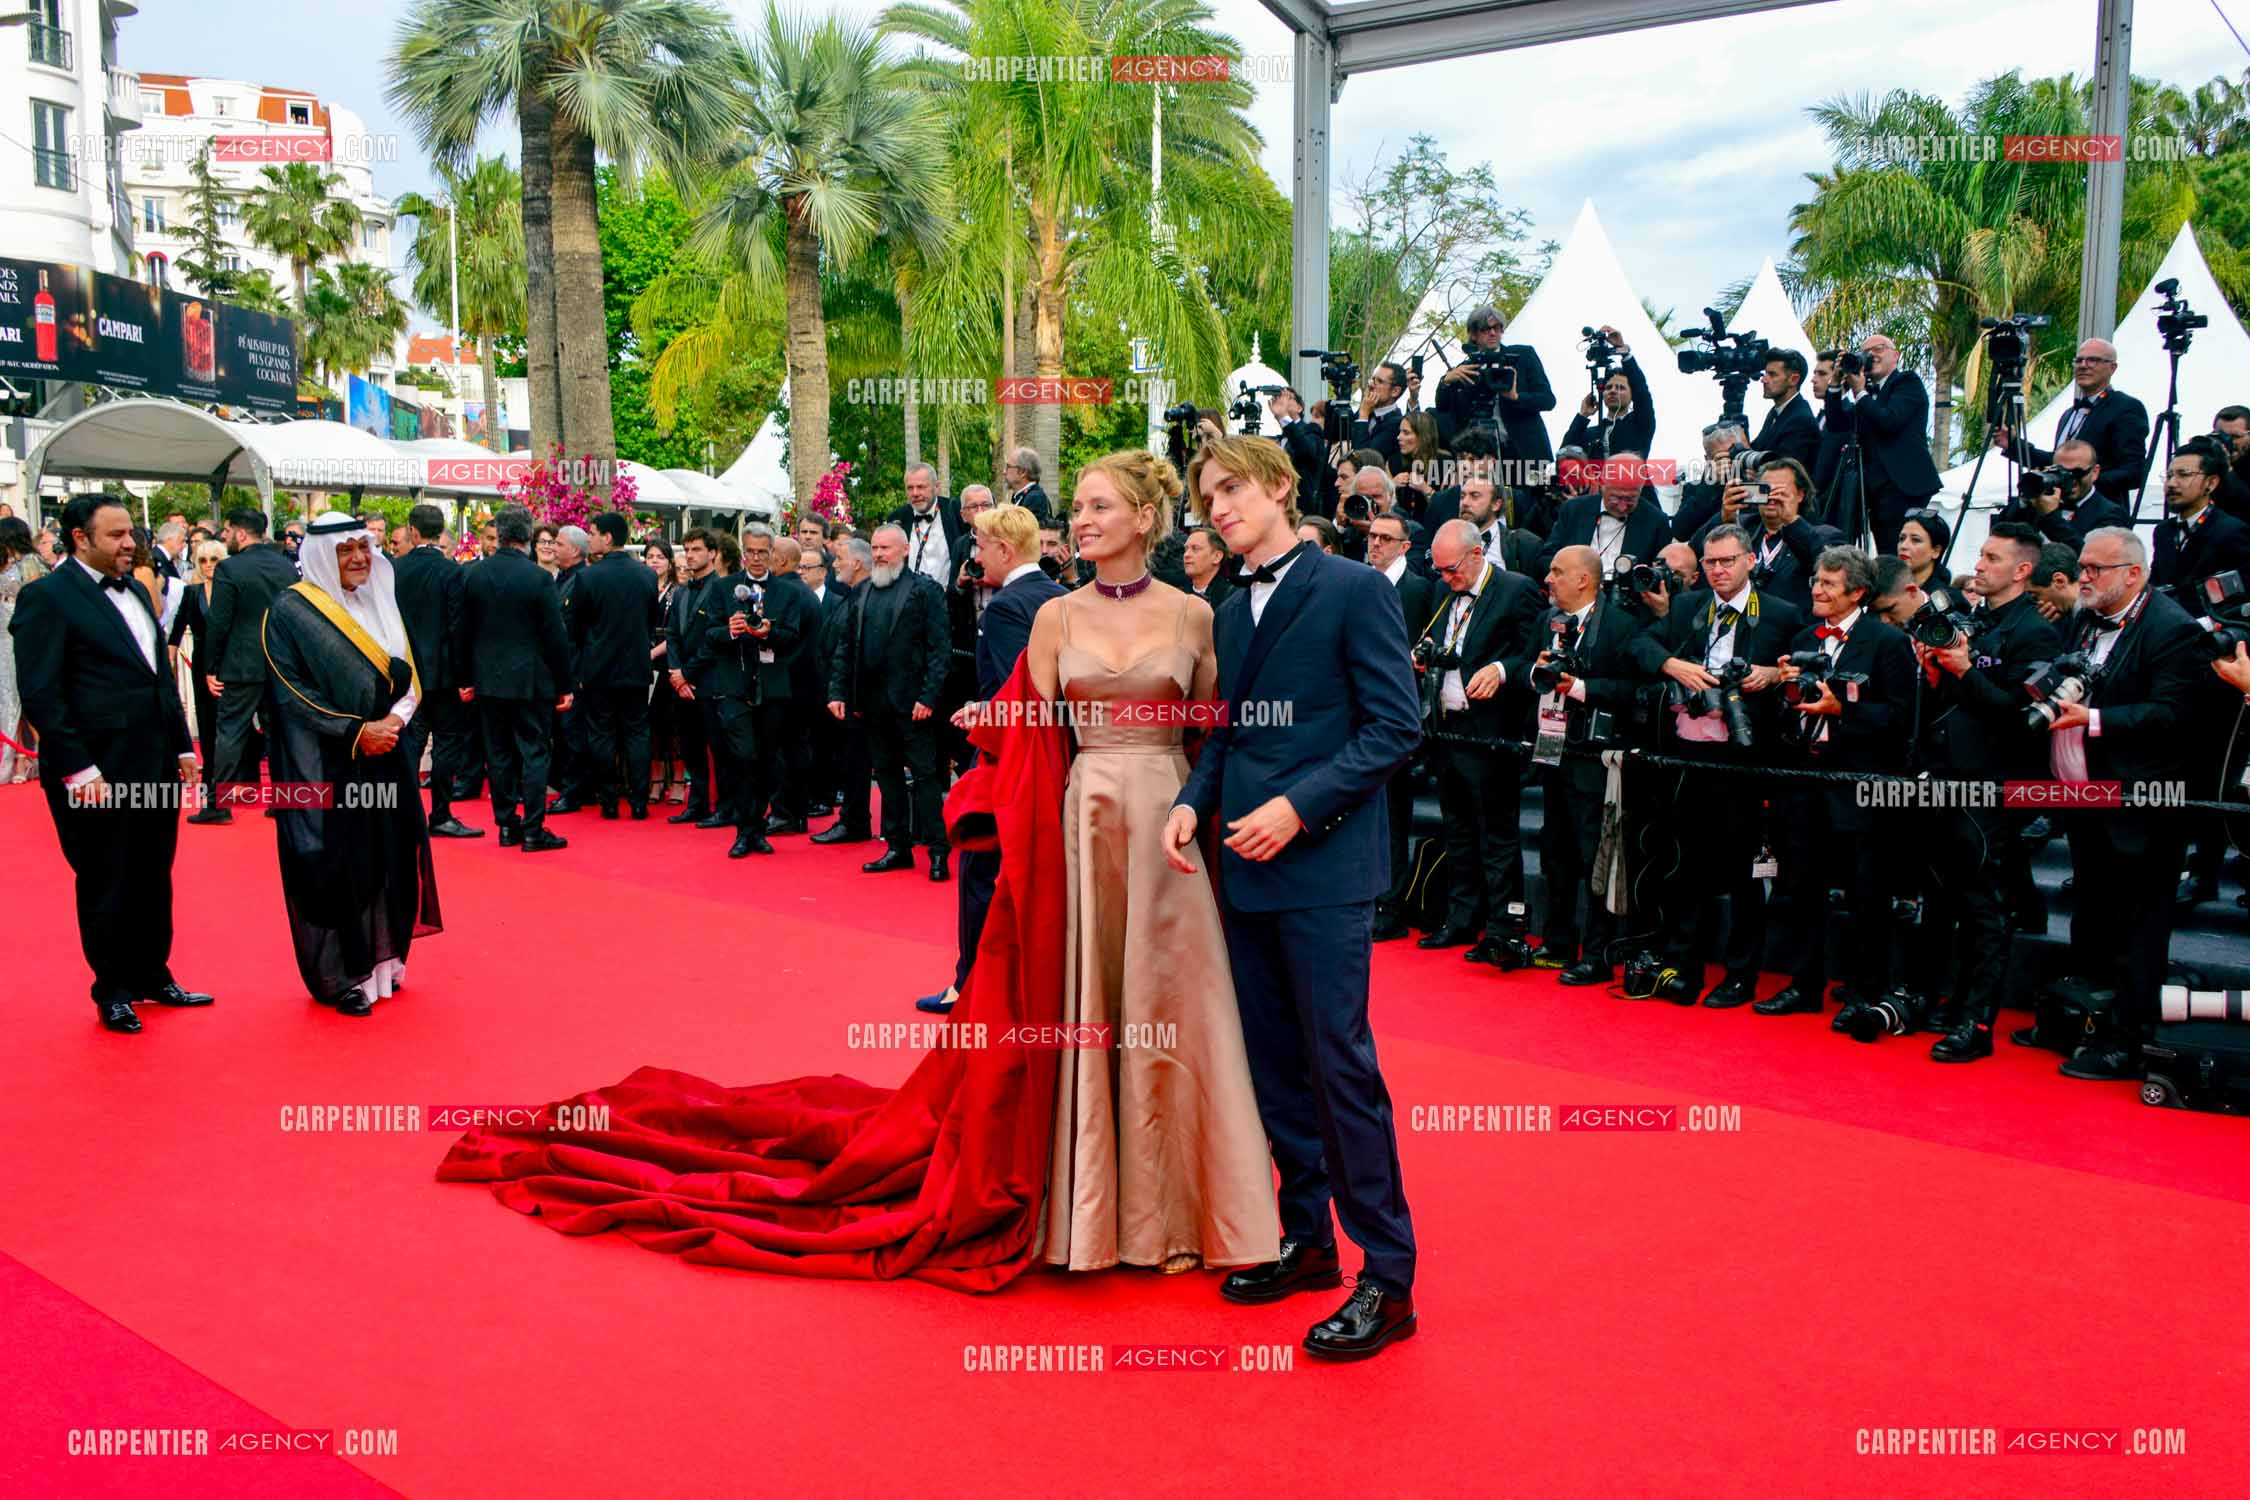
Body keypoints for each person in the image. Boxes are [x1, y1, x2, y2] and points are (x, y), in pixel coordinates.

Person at [1166, 432, 1424, 1361]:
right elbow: (1228, 736)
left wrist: (1296, 808)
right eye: (1209, 499)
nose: (1221, 509)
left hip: (1323, 870)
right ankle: (1309, 1240)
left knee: (1338, 1068)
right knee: (1273, 1066)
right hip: (1244, 870)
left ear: (1279, 487)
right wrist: (1193, 804)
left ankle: (1387, 1280)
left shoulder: (1356, 590)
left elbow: (1397, 728)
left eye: (1234, 489)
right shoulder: (1228, 612)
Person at [9, 495, 209, 1034]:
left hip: (152, 763)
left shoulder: (138, 593)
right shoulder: (45, 598)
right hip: (94, 771)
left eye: (131, 534)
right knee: (106, 877)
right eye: (117, 535)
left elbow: (157, 677)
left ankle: (152, 974)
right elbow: (42, 693)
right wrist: (79, 769)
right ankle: (113, 988)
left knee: (152, 873)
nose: (130, 544)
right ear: (80, 538)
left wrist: (183, 745)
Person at [2038, 527, 2209, 1081]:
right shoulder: (2087, 618)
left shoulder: (2172, 629)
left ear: (2134, 574)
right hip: (2086, 794)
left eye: (2097, 569)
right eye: (2083, 566)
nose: (2084, 577)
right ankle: (2080, 1021)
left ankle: (2129, 1040)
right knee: (2091, 914)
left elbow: (2173, 717)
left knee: (2138, 927)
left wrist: (2093, 720)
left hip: (2143, 802)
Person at [258, 515, 444, 1015]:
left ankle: (384, 964)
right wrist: (357, 731)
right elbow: (291, 691)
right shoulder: (291, 611)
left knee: (390, 853)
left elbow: (409, 675)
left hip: (390, 753)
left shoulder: (380, 599)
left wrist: (395, 722)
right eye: (346, 551)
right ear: (323, 556)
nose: (360, 557)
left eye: (364, 547)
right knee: (340, 863)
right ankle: (342, 975)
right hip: (328, 762)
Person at [918, 503, 1067, 1017]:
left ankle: (971, 986)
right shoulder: (1060, 597)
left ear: (1004, 550)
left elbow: (1017, 692)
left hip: (1009, 761)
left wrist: (982, 712)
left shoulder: (1007, 607)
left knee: (982, 868)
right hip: (1054, 759)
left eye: (980, 546)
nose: (976, 556)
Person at [1756, 549, 1918, 1020]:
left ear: (1858, 593)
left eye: (1829, 583)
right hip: (1805, 783)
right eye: (1815, 580)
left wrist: (1841, 710)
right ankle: (1803, 987)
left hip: (1858, 788)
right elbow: (1786, 711)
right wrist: (1784, 687)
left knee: (1867, 896)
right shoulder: (1805, 636)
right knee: (1802, 890)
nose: (1817, 590)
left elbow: (1901, 718)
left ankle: (1865, 994)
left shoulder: (1886, 642)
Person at [1413, 519, 1546, 962]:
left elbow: (1535, 656)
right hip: (1448, 727)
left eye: (1452, 569)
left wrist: (1503, 670)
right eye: (1440, 571)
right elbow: (1439, 638)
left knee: (1498, 834)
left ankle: (1503, 928)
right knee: (1457, 830)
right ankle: (1461, 918)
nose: (1447, 578)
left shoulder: (1517, 589)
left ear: (1477, 554)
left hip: (1493, 733)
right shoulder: (1443, 589)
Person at [828, 523, 953, 880]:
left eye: (886, 548)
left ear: (904, 551)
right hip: (871, 704)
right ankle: (897, 846)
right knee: (886, 777)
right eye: (876, 548)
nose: (880, 554)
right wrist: (838, 692)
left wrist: (929, 696)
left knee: (927, 779)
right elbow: (846, 647)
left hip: (914, 705)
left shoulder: (925, 591)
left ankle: (937, 851)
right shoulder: (863, 591)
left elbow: (939, 650)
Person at [457, 507, 573, 852]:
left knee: (499, 753)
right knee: (535, 752)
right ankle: (534, 827)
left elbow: (461, 631)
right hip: (530, 679)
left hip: (488, 679)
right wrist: (565, 684)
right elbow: (556, 636)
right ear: (528, 535)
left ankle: (507, 825)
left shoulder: (473, 575)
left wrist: (464, 676)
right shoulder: (538, 578)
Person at [703, 525, 814, 857]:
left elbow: (793, 637)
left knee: (768, 761)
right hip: (734, 684)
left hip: (774, 685)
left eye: (762, 552)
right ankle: (745, 830)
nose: (755, 558)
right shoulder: (722, 588)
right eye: (749, 551)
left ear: (772, 554)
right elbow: (708, 636)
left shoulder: (787, 592)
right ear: (742, 550)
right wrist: (731, 631)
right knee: (742, 757)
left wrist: (768, 632)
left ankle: (756, 826)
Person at [391, 503, 481, 840]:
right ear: (439, 532)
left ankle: (405, 813)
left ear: (413, 532)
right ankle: (441, 813)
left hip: (406, 671)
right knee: (447, 744)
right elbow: (459, 627)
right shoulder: (452, 572)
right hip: (443, 673)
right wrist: (464, 677)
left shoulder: (395, 570)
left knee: (410, 742)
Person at [569, 513, 662, 820]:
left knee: (601, 734)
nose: (589, 539)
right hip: (636, 666)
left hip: (598, 668)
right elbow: (651, 621)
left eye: (593, 533)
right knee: (637, 733)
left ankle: (608, 801)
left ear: (607, 538)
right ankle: (639, 801)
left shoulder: (587, 577)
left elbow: (577, 625)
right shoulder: (647, 576)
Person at [204, 508, 301, 798]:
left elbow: (218, 621)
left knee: (230, 732)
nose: (223, 535)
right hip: (279, 662)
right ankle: (282, 800)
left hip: (241, 665)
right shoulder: (286, 566)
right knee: (279, 735)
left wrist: (211, 666)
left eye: (227, 530)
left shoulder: (229, 568)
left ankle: (217, 803)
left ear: (241, 533)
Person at [1994, 338, 2150, 508]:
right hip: (2060, 515)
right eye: (2079, 360)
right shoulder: (2069, 414)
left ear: (2112, 368)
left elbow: (2134, 472)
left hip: (2100, 517)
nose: (2084, 365)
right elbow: (2058, 465)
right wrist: (2014, 445)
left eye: (2093, 360)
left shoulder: (2126, 407)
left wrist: (2083, 481)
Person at [1822, 334, 1941, 553]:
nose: (1871, 355)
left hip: (1904, 484)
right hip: (1873, 487)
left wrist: (1860, 391)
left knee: (1898, 550)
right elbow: (1837, 424)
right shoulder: (1865, 394)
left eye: (1878, 349)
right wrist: (1836, 383)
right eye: (1865, 352)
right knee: (1884, 548)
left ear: (1895, 356)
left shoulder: (1906, 382)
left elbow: (1889, 420)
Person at [662, 530, 720, 824]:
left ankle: (722, 805)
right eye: (686, 549)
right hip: (681, 681)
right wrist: (676, 674)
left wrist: (686, 673)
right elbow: (672, 634)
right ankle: (697, 804)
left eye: (696, 549)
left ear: (712, 553)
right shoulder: (681, 592)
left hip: (709, 681)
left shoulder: (722, 589)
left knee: (718, 748)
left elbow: (715, 640)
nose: (690, 554)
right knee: (691, 746)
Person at [168, 539, 227, 821]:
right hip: (202, 665)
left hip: (232, 665)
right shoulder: (191, 594)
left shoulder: (233, 591)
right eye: (203, 560)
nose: (208, 565)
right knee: (207, 727)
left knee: (235, 730)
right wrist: (167, 663)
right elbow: (177, 628)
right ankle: (213, 797)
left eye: (214, 559)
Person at [1, 518, 50, 783]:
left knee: (27, 694)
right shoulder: (9, 564)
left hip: (27, 633)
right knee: (10, 696)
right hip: (5, 633)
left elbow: (37, 597)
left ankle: (41, 755)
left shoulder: (30, 562)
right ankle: (20, 757)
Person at [1562, 326, 1655, 461]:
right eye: (1609, 387)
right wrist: (1582, 416)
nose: (1612, 391)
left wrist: (1624, 352)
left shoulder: (1640, 424)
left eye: (1620, 388)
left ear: (1632, 396)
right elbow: (1565, 455)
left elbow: (1642, 392)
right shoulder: (1592, 433)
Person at [643, 538, 685, 805]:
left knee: (674, 726)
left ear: (669, 562)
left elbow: (677, 632)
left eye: (660, 556)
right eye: (650, 556)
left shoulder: (678, 593)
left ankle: (679, 782)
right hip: (643, 663)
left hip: (669, 661)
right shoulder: (640, 588)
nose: (655, 561)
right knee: (651, 726)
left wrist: (653, 652)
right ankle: (656, 781)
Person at [1749, 348, 1822, 473]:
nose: (1764, 380)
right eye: (1765, 373)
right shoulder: (1775, 413)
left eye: (1772, 375)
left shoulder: (1801, 420)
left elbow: (1785, 472)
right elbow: (1757, 449)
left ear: (1794, 380)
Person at [1895, 508, 1953, 593]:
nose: (1903, 546)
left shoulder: (1948, 601)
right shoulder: (1885, 590)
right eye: (1902, 538)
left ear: (1936, 551)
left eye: (1915, 540)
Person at [1002, 446, 1054, 521]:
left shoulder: (1035, 499)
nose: (1004, 472)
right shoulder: (1023, 496)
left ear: (1022, 472)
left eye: (1008, 467)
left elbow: (1024, 531)